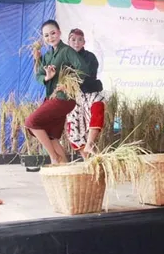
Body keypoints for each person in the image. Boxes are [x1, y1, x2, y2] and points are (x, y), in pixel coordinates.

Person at [25, 20, 89, 164]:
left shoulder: (67, 51)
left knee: (31, 122)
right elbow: (39, 75)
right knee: (51, 136)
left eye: (53, 33)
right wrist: (47, 77)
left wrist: (68, 84)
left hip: (64, 99)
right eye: (46, 35)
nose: (50, 37)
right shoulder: (47, 56)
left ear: (59, 32)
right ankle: (64, 167)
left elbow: (83, 69)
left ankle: (54, 157)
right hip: (52, 98)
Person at [65, 28, 105, 159]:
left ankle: (90, 144)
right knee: (74, 128)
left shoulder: (90, 57)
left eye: (80, 40)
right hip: (73, 96)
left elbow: (89, 76)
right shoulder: (64, 58)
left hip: (89, 92)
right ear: (68, 41)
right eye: (73, 39)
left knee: (98, 106)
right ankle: (86, 160)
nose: (76, 42)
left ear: (84, 42)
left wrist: (75, 78)